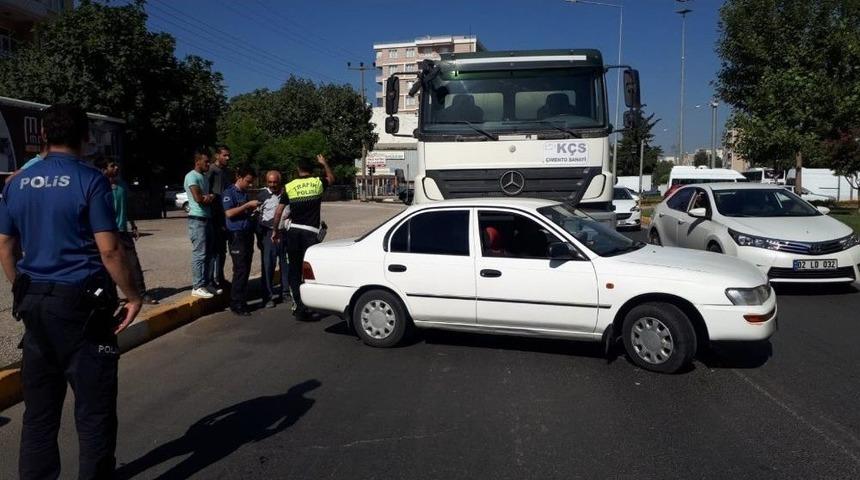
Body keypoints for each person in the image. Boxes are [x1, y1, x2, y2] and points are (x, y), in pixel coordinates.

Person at [0, 104, 142, 480]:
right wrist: (132, 295)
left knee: (40, 413)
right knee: (93, 412)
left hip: (35, 303)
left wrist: (24, 288)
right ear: (85, 138)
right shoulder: (91, 180)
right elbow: (109, 250)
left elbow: (5, 247)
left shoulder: (16, 182)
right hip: (82, 307)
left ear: (42, 136)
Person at [272, 154, 334, 319]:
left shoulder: (290, 186)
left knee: (294, 270)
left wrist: (275, 230)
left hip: (293, 233)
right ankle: (312, 302)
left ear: (298, 169)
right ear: (311, 169)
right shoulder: (317, 183)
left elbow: (278, 212)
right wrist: (324, 163)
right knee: (309, 269)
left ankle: (298, 305)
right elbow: (331, 178)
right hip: (311, 234)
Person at [94, 157, 159, 305]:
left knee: (133, 263)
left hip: (123, 231)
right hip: (107, 232)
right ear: (104, 169)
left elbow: (127, 207)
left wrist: (133, 225)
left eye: (116, 165)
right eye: (112, 166)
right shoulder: (98, 186)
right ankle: (111, 296)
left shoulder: (122, 185)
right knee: (108, 265)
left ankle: (142, 294)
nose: (116, 168)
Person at [222, 167, 259, 315]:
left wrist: (252, 211)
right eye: (248, 182)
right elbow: (229, 213)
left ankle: (242, 299)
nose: (250, 185)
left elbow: (244, 212)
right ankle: (236, 303)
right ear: (239, 177)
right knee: (240, 269)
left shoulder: (244, 193)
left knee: (246, 268)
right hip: (236, 235)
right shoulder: (229, 193)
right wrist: (247, 206)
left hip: (247, 233)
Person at [184, 147, 217, 298]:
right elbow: (199, 199)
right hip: (197, 219)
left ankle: (206, 282)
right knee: (200, 253)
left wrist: (208, 197)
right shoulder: (192, 177)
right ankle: (197, 285)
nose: (208, 164)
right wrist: (208, 198)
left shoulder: (203, 177)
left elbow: (207, 197)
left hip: (207, 218)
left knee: (210, 253)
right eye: (206, 161)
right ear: (197, 162)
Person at [256, 170, 289, 309]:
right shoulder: (262, 195)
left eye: (275, 182)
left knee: (285, 264)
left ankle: (286, 292)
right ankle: (267, 296)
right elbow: (257, 217)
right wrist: (260, 238)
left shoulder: (287, 194)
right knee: (268, 266)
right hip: (268, 234)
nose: (272, 185)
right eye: (270, 182)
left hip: (284, 233)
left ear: (279, 181)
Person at [206, 145, 232, 291]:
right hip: (214, 215)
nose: (227, 158)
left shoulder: (226, 172)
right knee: (212, 250)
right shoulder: (212, 171)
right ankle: (209, 280)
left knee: (222, 250)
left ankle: (219, 277)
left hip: (224, 215)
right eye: (224, 155)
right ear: (217, 156)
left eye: (228, 155)